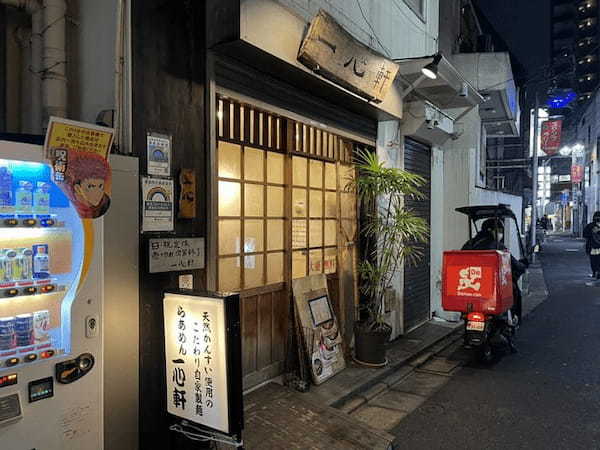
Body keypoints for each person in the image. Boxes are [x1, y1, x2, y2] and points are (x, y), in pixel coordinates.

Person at [462, 218, 528, 323]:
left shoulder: (469, 244)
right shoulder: (497, 246)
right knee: (514, 291)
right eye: (500, 230)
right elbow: (513, 263)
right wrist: (522, 265)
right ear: (491, 230)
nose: (501, 234)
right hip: (491, 286)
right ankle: (515, 318)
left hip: (470, 286)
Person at [583, 212, 600, 279]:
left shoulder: (590, 226)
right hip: (593, 247)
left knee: (593, 260)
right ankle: (597, 272)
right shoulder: (590, 226)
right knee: (596, 260)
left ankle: (595, 272)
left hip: (592, 247)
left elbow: (585, 235)